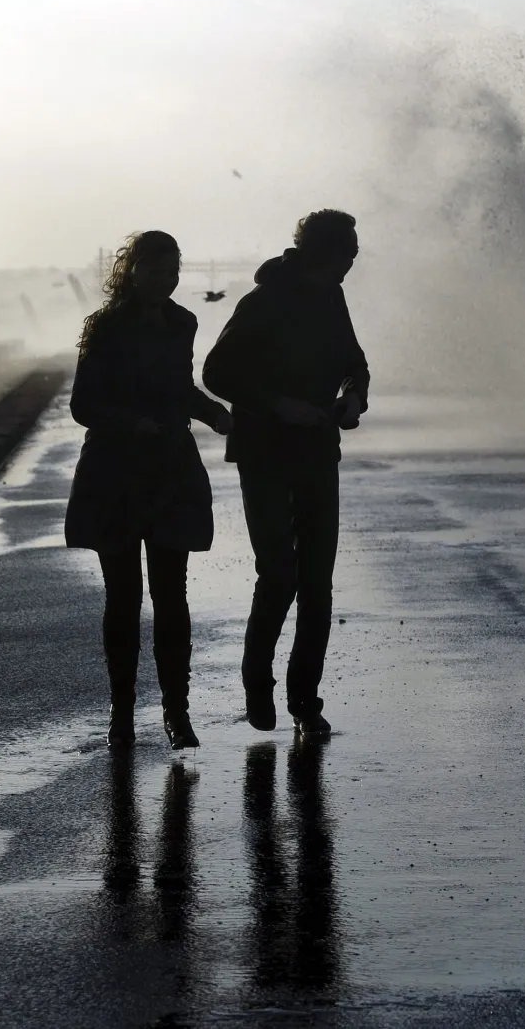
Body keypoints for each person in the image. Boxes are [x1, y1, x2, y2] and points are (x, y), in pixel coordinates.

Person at [202, 210, 369, 738]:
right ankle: (258, 681)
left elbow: (354, 362)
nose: (354, 261)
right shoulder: (263, 301)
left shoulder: (332, 297)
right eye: (349, 252)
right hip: (265, 453)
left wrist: (354, 395)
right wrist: (279, 405)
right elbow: (215, 371)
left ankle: (305, 701)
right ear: (325, 254)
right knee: (279, 575)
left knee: (317, 582)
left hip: (319, 449)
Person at [66, 230, 234, 750]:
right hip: (115, 471)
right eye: (158, 271)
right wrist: (130, 423)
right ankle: (121, 713)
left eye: (173, 271)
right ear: (133, 270)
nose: (168, 281)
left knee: (171, 595)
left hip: (169, 469)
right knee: (123, 597)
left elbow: (180, 388)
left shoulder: (182, 322)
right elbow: (83, 405)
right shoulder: (105, 327)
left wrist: (213, 414)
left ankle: (176, 712)